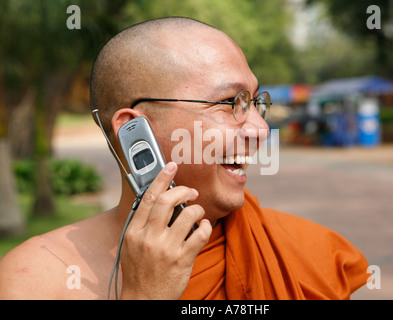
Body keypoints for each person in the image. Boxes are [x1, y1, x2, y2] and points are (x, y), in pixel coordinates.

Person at [0, 17, 368, 300]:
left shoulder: (303, 255)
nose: (258, 129)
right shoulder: (37, 279)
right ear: (135, 131)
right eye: (230, 103)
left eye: (255, 102)